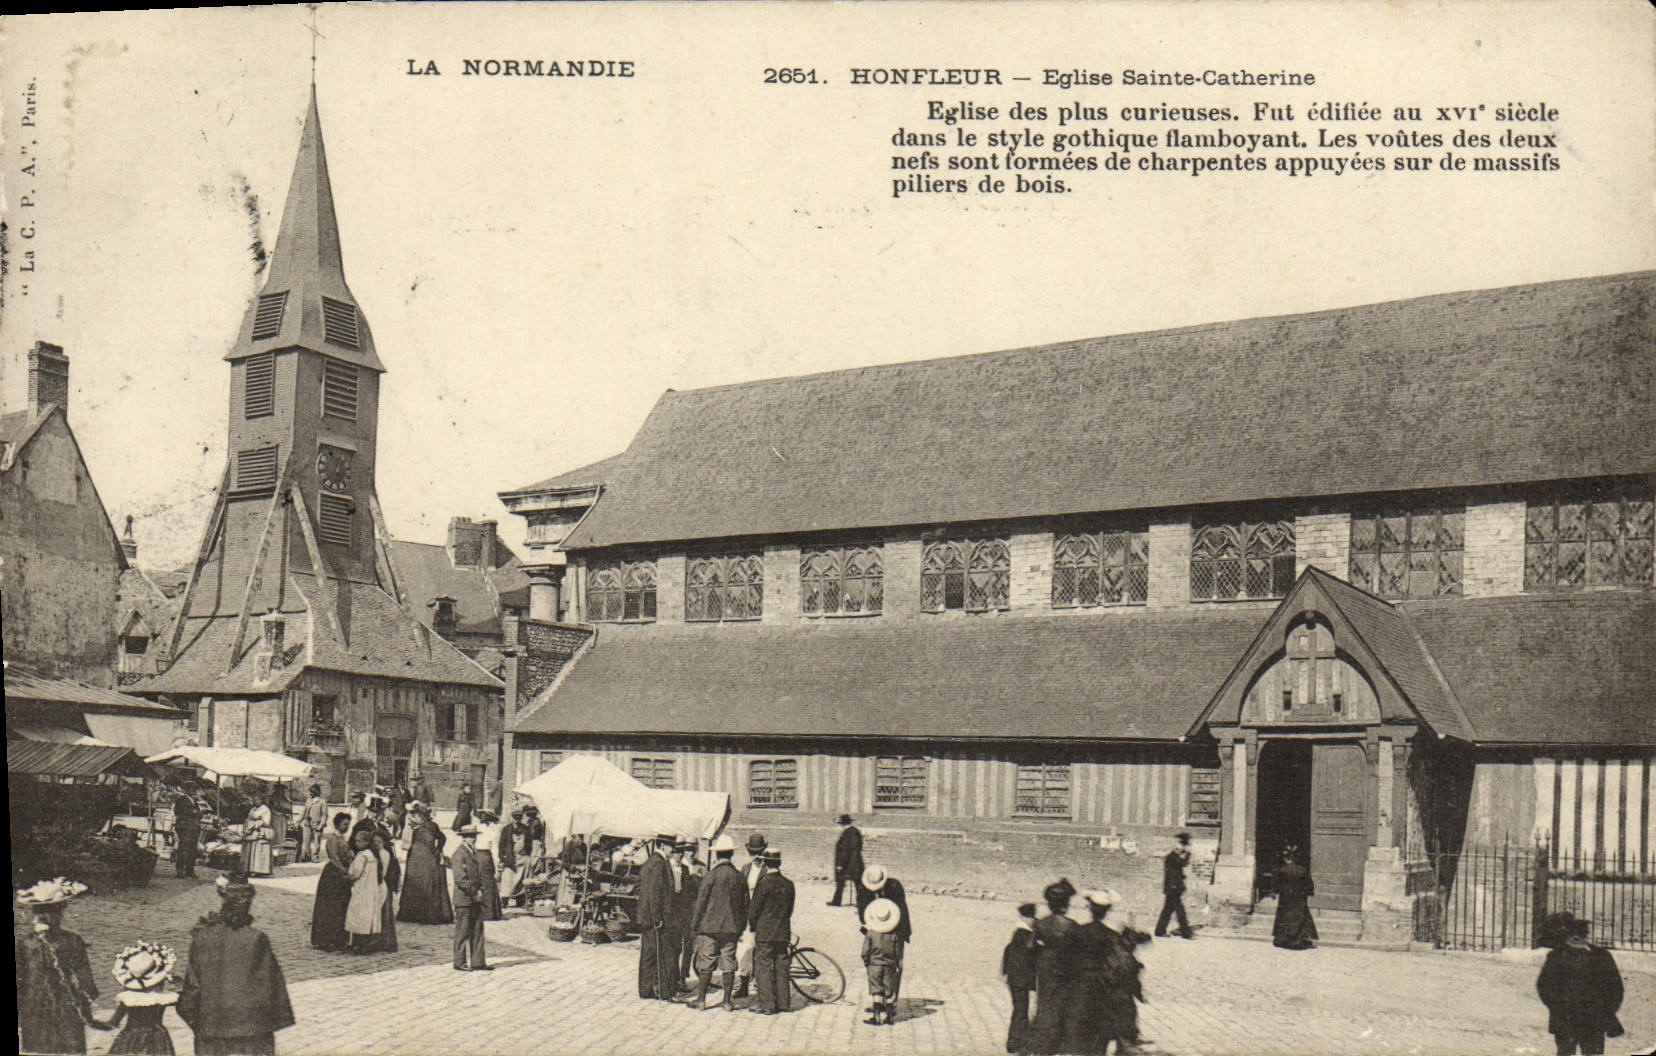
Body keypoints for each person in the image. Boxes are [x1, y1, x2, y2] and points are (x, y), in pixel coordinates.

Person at [177, 873, 294, 1056]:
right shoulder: (256, 939)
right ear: (248, 905)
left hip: (211, 1030)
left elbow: (191, 989)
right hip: (252, 1033)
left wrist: (197, 1023)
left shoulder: (202, 938)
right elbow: (273, 988)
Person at [16, 877, 102, 1055]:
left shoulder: (25, 942)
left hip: (34, 1006)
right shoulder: (72, 940)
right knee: (69, 1047)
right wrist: (89, 1001)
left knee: (38, 1049)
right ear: (60, 913)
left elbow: (19, 977)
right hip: (66, 1003)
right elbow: (85, 979)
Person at [1537, 912, 1624, 1056]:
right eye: (1573, 934)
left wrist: (1606, 1011)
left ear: (1586, 935)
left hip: (1593, 1019)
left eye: (1581, 934)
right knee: (1565, 1052)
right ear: (1567, 936)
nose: (1576, 938)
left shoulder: (1601, 956)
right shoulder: (1557, 956)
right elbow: (1545, 986)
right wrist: (1557, 1007)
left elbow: (1615, 987)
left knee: (1593, 1053)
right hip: (1565, 1018)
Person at [686, 833, 748, 1011]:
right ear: (731, 854)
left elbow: (701, 903)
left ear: (717, 855)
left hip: (710, 928)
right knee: (729, 963)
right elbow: (746, 905)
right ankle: (727, 1002)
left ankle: (701, 1000)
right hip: (731, 929)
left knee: (706, 963)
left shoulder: (711, 876)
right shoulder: (739, 876)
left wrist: (695, 925)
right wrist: (740, 927)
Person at [105, 940, 181, 1056]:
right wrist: (178, 982)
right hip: (157, 1038)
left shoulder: (128, 999)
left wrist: (94, 1022)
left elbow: (114, 1021)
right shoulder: (162, 998)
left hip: (130, 1037)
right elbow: (185, 999)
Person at [1030, 878, 1078, 1055]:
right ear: (1065, 904)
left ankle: (1041, 1042)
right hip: (1065, 966)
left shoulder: (1040, 923)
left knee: (1045, 1002)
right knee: (1063, 1003)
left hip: (1046, 965)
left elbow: (1030, 946)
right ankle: (1059, 1041)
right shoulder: (1071, 925)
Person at [747, 849, 795, 1015]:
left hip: (765, 933)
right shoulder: (789, 884)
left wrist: (752, 927)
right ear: (779, 864)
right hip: (782, 932)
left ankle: (767, 1004)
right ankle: (784, 1003)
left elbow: (754, 911)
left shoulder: (763, 884)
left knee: (764, 967)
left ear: (766, 864)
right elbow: (790, 910)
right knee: (782, 967)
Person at [636, 833, 680, 1001]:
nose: (673, 850)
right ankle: (663, 991)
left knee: (649, 953)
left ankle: (646, 989)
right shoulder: (658, 864)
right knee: (663, 954)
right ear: (662, 846)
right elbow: (654, 893)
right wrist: (657, 918)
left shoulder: (652, 863)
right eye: (671, 847)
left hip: (649, 917)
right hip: (656, 918)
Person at [397, 805, 454, 925]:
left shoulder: (426, 828)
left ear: (421, 816)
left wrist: (434, 850)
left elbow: (430, 840)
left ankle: (419, 914)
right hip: (418, 859)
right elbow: (442, 838)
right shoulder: (429, 826)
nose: (414, 817)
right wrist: (438, 849)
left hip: (423, 860)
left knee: (422, 884)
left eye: (416, 815)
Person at [310, 813, 354, 951]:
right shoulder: (332, 839)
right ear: (337, 825)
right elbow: (335, 859)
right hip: (333, 876)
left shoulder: (342, 839)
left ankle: (338, 938)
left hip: (341, 876)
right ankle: (326, 939)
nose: (346, 827)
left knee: (341, 907)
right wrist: (345, 872)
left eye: (348, 824)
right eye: (344, 824)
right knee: (330, 907)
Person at [450, 823, 491, 971]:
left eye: (473, 836)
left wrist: (480, 890)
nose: (472, 839)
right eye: (469, 837)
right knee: (462, 931)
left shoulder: (473, 853)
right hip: (464, 899)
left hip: (475, 898)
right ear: (463, 838)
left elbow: (477, 875)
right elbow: (460, 879)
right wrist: (474, 893)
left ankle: (478, 961)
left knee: (477, 930)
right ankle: (459, 962)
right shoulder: (459, 854)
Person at [733, 833, 768, 1000]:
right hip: (747, 915)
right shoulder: (746, 869)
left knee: (760, 950)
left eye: (759, 852)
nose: (756, 856)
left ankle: (761, 985)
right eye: (753, 853)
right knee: (745, 950)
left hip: (763, 916)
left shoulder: (768, 869)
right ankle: (744, 984)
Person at [1001, 903, 1039, 1054]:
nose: (1033, 919)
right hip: (1020, 979)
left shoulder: (1018, 933)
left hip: (1015, 978)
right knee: (1021, 1010)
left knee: (1020, 1009)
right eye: (1030, 917)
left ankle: (1016, 1041)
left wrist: (1005, 972)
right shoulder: (1025, 934)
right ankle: (1016, 1042)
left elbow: (1008, 951)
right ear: (1025, 917)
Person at [861, 897, 904, 1026]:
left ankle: (876, 1016)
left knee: (876, 990)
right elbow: (897, 953)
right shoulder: (894, 935)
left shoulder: (871, 934)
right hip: (889, 966)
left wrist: (867, 962)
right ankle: (890, 1017)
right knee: (888, 991)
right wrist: (895, 963)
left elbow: (864, 952)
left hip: (874, 966)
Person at [344, 827, 384, 954]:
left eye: (359, 841)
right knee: (368, 915)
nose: (356, 844)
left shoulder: (362, 856)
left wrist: (348, 877)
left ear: (366, 842)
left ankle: (356, 944)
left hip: (361, 888)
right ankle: (366, 944)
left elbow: (356, 873)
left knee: (357, 914)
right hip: (371, 890)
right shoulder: (373, 856)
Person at [1272, 846, 1318, 950]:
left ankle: (1284, 940)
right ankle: (1298, 940)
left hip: (1285, 898)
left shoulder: (1282, 870)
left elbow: (1277, 884)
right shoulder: (1302, 870)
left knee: (1284, 917)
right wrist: (1309, 893)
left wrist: (1275, 892)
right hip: (1299, 898)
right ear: (1295, 859)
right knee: (1299, 917)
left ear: (1286, 859)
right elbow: (1309, 884)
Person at [674, 839, 704, 994]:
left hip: (693, 912)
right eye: (687, 850)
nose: (690, 853)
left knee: (689, 946)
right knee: (677, 945)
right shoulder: (678, 866)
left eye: (693, 849)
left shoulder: (701, 867)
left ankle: (683, 976)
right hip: (679, 912)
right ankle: (675, 976)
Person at [1154, 832, 1195, 939]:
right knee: (1180, 911)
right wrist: (1188, 853)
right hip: (1173, 888)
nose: (1182, 848)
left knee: (1167, 910)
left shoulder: (1172, 856)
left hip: (1172, 888)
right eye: (1182, 846)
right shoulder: (1172, 857)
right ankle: (1186, 933)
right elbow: (1183, 863)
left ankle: (1160, 931)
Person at [372, 830, 401, 953]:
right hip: (381, 886)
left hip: (384, 886)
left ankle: (384, 941)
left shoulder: (384, 854)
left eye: (379, 841)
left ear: (384, 842)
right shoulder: (376, 853)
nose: (377, 844)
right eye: (374, 842)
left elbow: (384, 872)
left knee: (384, 914)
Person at [474, 810, 504, 921]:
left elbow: (494, 850)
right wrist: (497, 867)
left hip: (482, 856)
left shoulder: (480, 829)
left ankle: (482, 912)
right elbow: (495, 850)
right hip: (485, 857)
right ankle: (489, 912)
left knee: (481, 882)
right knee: (487, 883)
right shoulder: (491, 831)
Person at [498, 806, 531, 908]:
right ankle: (505, 901)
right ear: (512, 818)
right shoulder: (506, 829)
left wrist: (526, 854)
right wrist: (502, 858)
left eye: (519, 817)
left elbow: (529, 844)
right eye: (515, 817)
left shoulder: (525, 829)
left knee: (520, 881)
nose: (517, 819)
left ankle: (519, 901)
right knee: (507, 880)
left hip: (521, 858)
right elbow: (501, 845)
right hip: (510, 859)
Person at [829, 814, 864, 907]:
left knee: (853, 882)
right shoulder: (854, 831)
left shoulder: (849, 833)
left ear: (843, 824)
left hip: (850, 863)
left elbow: (845, 850)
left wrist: (840, 864)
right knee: (856, 882)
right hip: (854, 862)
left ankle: (861, 902)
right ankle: (860, 902)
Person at [240, 797, 274, 878]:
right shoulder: (253, 809)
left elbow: (266, 822)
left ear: (262, 800)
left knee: (259, 851)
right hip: (251, 831)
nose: (256, 801)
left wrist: (255, 824)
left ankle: (260, 870)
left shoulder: (265, 809)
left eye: (257, 799)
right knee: (249, 850)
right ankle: (248, 869)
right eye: (254, 800)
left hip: (260, 831)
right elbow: (249, 818)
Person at [172, 789, 201, 879]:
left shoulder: (194, 801)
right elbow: (179, 812)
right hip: (184, 826)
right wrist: (193, 812)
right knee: (183, 848)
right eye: (193, 789)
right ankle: (180, 870)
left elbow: (198, 813)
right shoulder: (181, 800)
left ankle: (189, 870)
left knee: (193, 849)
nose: (195, 791)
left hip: (193, 827)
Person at [298, 785, 327, 864]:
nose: (310, 793)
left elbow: (324, 815)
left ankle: (315, 856)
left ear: (316, 792)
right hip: (307, 822)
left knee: (317, 841)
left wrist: (321, 824)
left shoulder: (322, 802)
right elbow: (303, 812)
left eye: (311, 792)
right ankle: (306, 856)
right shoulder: (308, 801)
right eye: (310, 792)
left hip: (317, 823)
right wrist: (298, 821)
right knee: (306, 840)